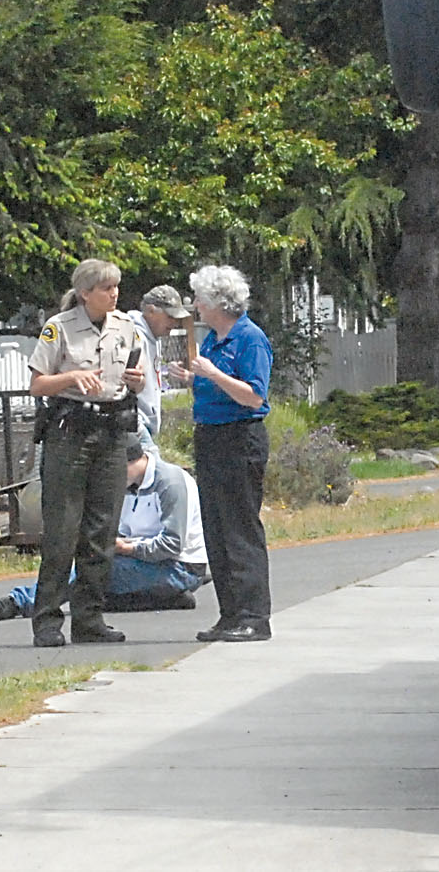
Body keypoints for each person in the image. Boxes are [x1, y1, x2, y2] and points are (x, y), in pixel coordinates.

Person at [27, 258, 146, 646]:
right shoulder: (58, 328)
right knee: (63, 529)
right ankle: (47, 619)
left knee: (102, 529)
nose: (114, 294)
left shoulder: (127, 328)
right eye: (105, 288)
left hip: (112, 433)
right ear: (84, 293)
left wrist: (138, 380)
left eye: (116, 287)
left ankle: (90, 618)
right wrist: (71, 377)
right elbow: (38, 384)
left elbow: (139, 379)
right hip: (70, 432)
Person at [0, 439, 209, 619]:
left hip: (180, 567)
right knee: (92, 569)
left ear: (130, 462)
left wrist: (127, 549)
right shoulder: (127, 487)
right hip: (141, 559)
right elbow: (122, 531)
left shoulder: (170, 484)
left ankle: (21, 602)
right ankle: (162, 598)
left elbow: (172, 544)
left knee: (93, 572)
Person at [173, 265, 275, 643]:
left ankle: (254, 616)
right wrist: (189, 378)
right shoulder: (216, 339)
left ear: (219, 302)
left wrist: (213, 374)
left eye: (199, 298)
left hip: (239, 438)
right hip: (211, 437)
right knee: (215, 527)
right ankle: (229, 614)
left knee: (240, 528)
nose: (195, 305)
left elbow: (253, 395)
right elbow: (214, 383)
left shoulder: (250, 339)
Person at [126, 284, 191, 439]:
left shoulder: (154, 336)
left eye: (177, 318)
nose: (174, 323)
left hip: (147, 424)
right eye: (170, 317)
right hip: (136, 424)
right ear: (150, 310)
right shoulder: (135, 336)